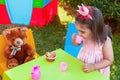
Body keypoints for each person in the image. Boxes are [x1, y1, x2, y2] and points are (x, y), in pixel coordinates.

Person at [72, 4, 114, 78]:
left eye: (82, 31)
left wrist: (94, 66)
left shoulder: (105, 41)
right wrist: (74, 40)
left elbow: (109, 60)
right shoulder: (85, 36)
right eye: (78, 31)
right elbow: (76, 44)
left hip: (97, 71)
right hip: (83, 67)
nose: (79, 34)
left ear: (94, 30)